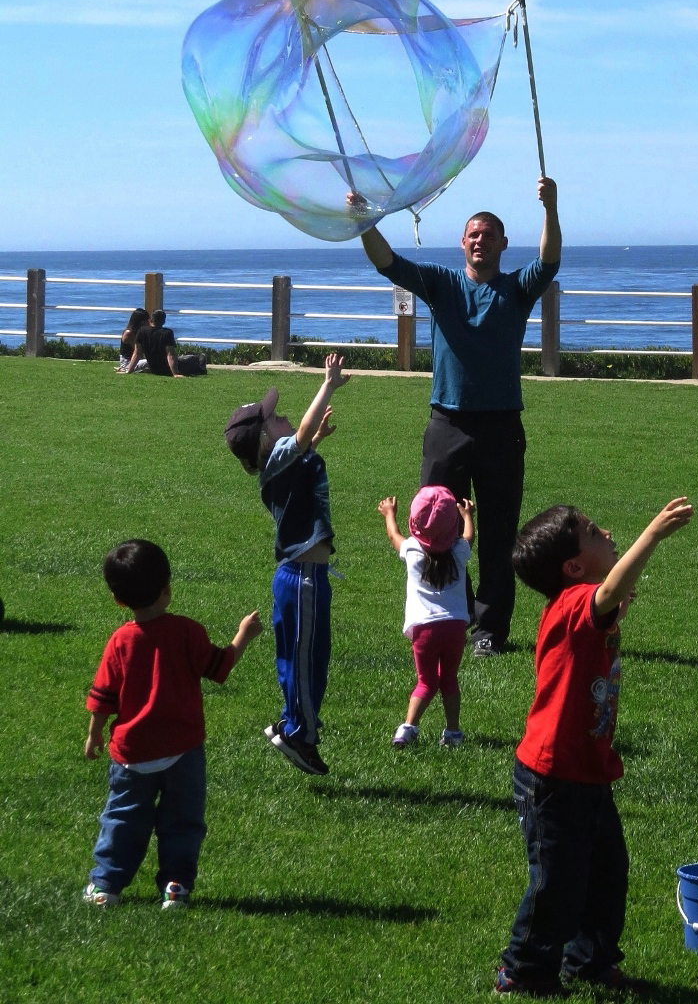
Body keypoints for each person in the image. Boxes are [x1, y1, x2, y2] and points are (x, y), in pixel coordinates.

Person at [353, 176, 561, 657]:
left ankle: (490, 630)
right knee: (435, 525)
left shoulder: (516, 289)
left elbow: (549, 260)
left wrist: (550, 208)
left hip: (502, 426)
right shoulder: (441, 284)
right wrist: (365, 221)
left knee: (499, 533)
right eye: (472, 234)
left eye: (488, 234)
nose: (479, 240)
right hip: (446, 423)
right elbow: (387, 262)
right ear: (462, 243)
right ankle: (450, 611)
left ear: (504, 244)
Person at [495, 495, 694, 997]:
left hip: (588, 770)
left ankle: (588, 961)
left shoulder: (580, 607)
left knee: (606, 873)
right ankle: (522, 971)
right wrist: (651, 536)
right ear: (574, 566)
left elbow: (608, 601)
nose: (606, 532)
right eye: (592, 530)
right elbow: (606, 594)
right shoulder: (572, 605)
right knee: (556, 882)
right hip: (551, 775)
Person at [83, 539, 261, 909]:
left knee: (122, 820)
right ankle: (176, 885)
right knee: (183, 821)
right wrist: (243, 633)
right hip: (184, 751)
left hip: (133, 754)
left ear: (118, 600)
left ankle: (105, 886)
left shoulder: (120, 642)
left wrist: (94, 733)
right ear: (166, 589)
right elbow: (220, 666)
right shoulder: (187, 632)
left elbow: (103, 696)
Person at [224, 354, 349, 778]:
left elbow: (301, 446)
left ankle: (296, 727)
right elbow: (298, 437)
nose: (283, 416)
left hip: (308, 580)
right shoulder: (279, 456)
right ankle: (299, 733)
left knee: (309, 660)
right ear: (265, 440)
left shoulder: (283, 462)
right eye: (274, 417)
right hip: (301, 581)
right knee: (303, 662)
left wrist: (317, 441)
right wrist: (328, 384)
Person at [378, 485, 475, 749]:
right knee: (449, 680)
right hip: (455, 627)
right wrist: (468, 517)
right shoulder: (458, 551)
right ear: (451, 526)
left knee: (426, 680)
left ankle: (409, 727)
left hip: (424, 630)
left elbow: (393, 535)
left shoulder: (412, 551)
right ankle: (453, 732)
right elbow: (468, 537)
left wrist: (389, 513)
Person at [127, 311, 206, 378]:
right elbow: (170, 355)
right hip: (167, 370)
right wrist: (175, 373)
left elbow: (136, 353)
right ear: (163, 321)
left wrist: (129, 371)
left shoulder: (141, 331)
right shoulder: (167, 333)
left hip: (154, 369)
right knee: (196, 358)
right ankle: (201, 368)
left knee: (185, 358)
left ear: (151, 320)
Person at [117, 307, 149, 372]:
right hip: (129, 362)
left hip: (136, 360)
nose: (148, 323)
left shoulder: (139, 332)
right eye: (146, 321)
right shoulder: (129, 333)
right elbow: (138, 351)